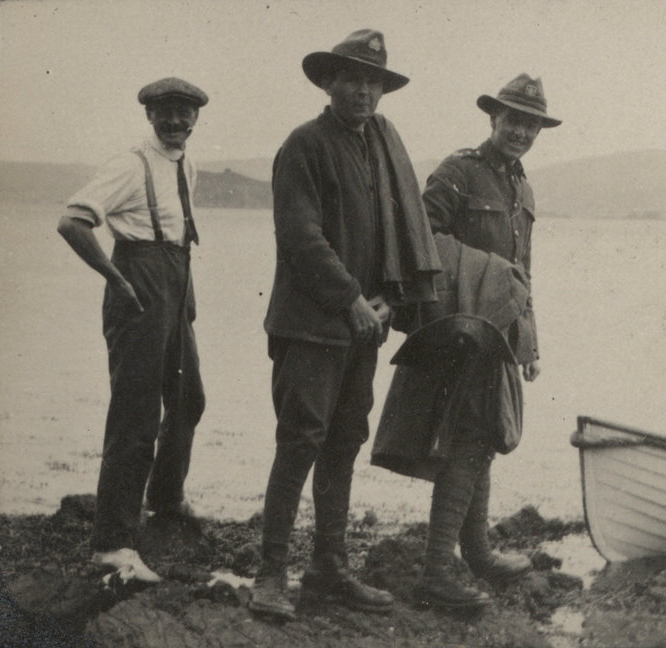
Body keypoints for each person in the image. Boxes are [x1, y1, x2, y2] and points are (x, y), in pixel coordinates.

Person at [248, 29, 441, 621]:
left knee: (344, 443)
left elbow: (395, 237)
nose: (363, 90)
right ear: (329, 82)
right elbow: (301, 238)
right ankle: (270, 574)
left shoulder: (381, 148)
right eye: (352, 78)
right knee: (300, 440)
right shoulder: (303, 146)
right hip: (310, 327)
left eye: (373, 81)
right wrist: (351, 299)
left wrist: (386, 301)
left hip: (364, 327)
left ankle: (327, 568)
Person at [389, 73, 561, 611]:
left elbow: (523, 271)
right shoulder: (459, 172)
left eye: (531, 124)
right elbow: (421, 239)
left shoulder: (522, 187)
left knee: (485, 435)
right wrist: (482, 277)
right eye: (514, 120)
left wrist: (527, 339)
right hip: (459, 332)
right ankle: (438, 572)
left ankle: (478, 551)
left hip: (499, 337)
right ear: (493, 119)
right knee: (465, 440)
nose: (522, 132)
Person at [56, 77, 209, 582]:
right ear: (149, 116)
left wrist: (185, 297)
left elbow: (179, 235)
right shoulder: (129, 165)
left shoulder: (187, 162)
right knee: (135, 415)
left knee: (188, 399)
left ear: (196, 118)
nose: (175, 121)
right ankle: (113, 546)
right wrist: (115, 278)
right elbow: (73, 222)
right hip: (137, 285)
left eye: (184, 112)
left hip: (175, 286)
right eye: (165, 112)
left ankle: (166, 498)